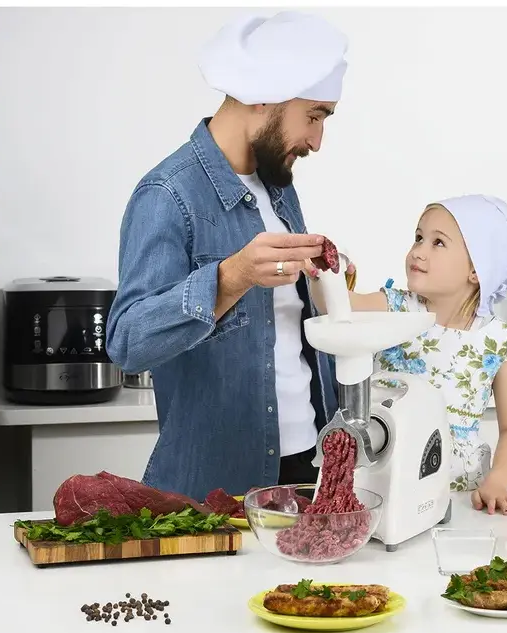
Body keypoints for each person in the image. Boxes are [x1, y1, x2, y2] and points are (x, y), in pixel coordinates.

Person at [106, 11, 354, 501]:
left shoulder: (277, 187)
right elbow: (127, 341)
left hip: (308, 467)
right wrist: (231, 276)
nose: (317, 142)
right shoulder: (167, 194)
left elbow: (283, 331)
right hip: (218, 485)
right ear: (263, 94)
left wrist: (322, 282)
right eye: (314, 116)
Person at [308, 195, 507, 514]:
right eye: (419, 237)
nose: (418, 251)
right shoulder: (395, 307)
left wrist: (497, 482)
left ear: (477, 270)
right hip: (383, 476)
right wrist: (325, 276)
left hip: (457, 492)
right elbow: (338, 307)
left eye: (438, 243)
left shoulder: (498, 341)